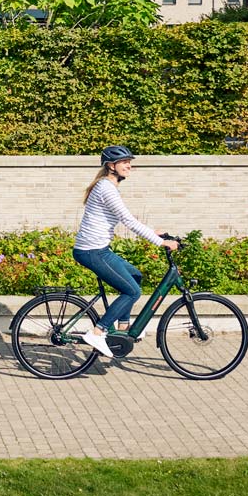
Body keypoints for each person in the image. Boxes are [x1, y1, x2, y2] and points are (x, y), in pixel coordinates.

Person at [73, 145, 180, 359]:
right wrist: (159, 242)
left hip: (100, 249)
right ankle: (98, 332)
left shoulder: (108, 187)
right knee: (132, 292)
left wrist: (154, 232)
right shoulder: (105, 188)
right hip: (91, 251)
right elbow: (128, 220)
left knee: (134, 276)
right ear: (111, 166)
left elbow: (126, 217)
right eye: (124, 162)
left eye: (129, 162)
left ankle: (123, 330)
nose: (129, 166)